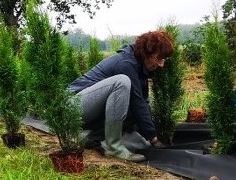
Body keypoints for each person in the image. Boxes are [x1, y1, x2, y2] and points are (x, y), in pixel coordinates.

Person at [68, 30, 174, 161]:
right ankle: (114, 147)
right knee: (122, 82)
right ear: (147, 52)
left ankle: (90, 138)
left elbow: (143, 103)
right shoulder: (126, 63)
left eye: (164, 60)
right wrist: (153, 139)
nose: (161, 64)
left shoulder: (139, 66)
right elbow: (138, 103)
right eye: (159, 58)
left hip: (87, 111)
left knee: (128, 108)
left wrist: (153, 135)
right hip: (72, 106)